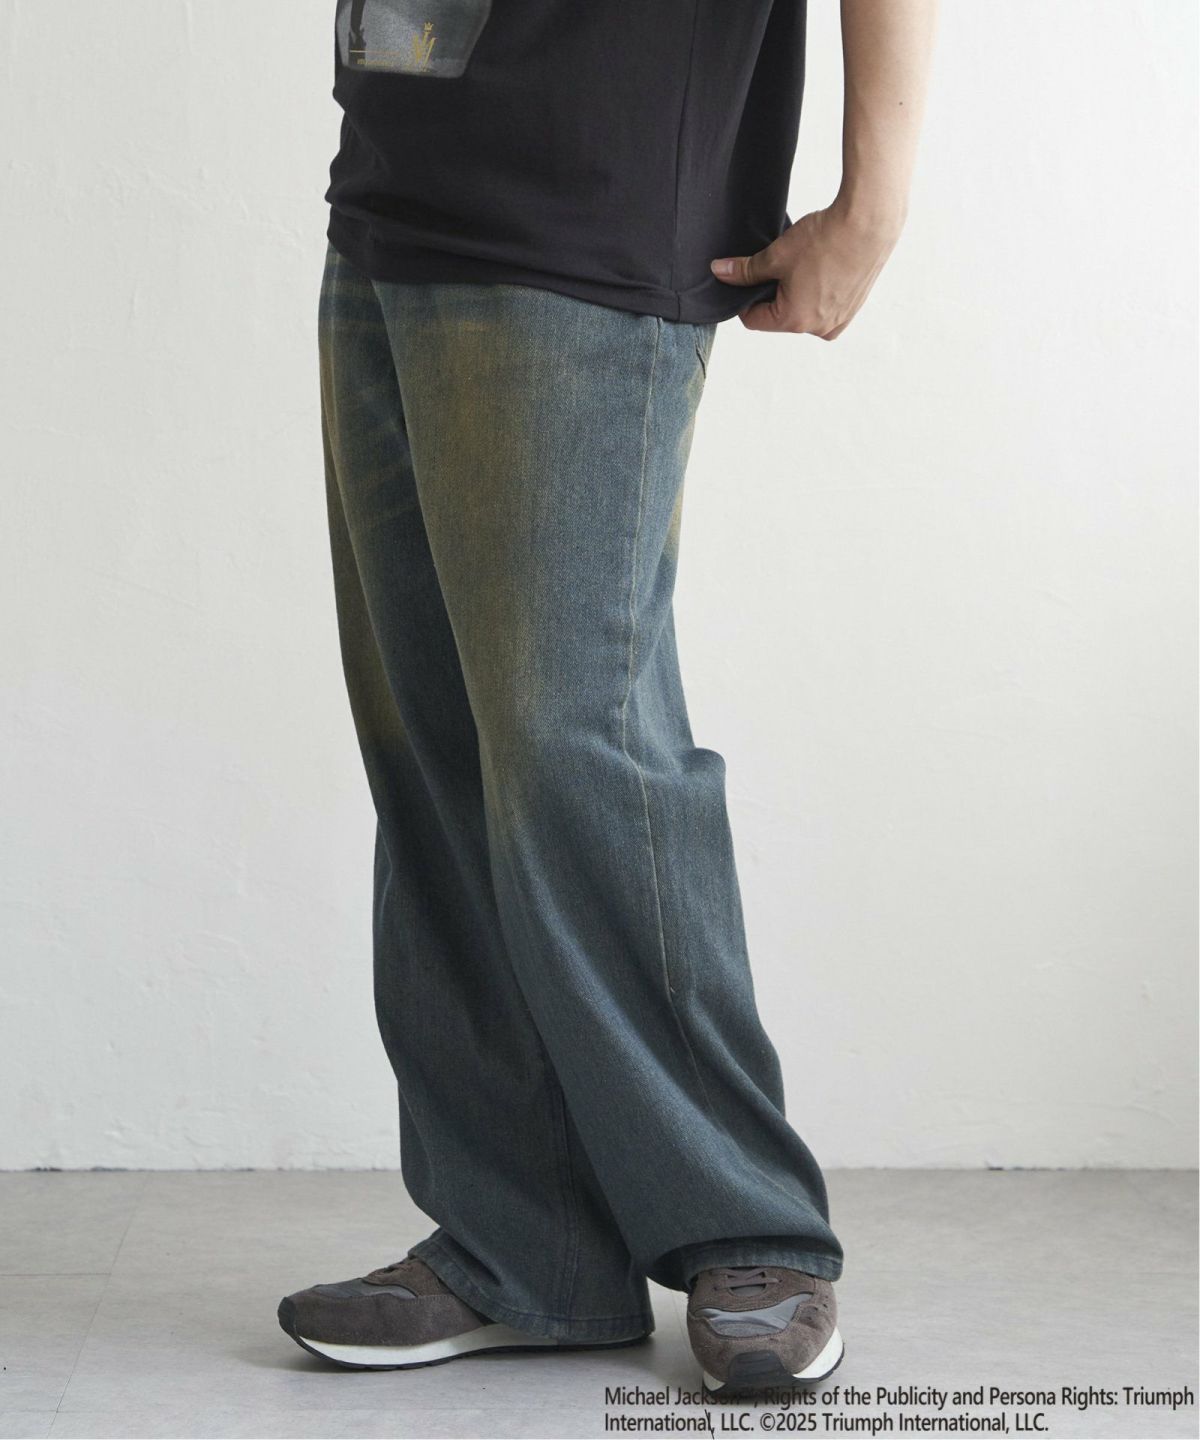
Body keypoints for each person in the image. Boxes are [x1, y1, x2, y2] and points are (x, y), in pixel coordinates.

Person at [278, 0, 938, 1399]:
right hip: (398, 179)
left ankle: (747, 1228)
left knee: (575, 743)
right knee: (435, 747)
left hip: (591, 196)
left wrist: (873, 201)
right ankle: (525, 1249)